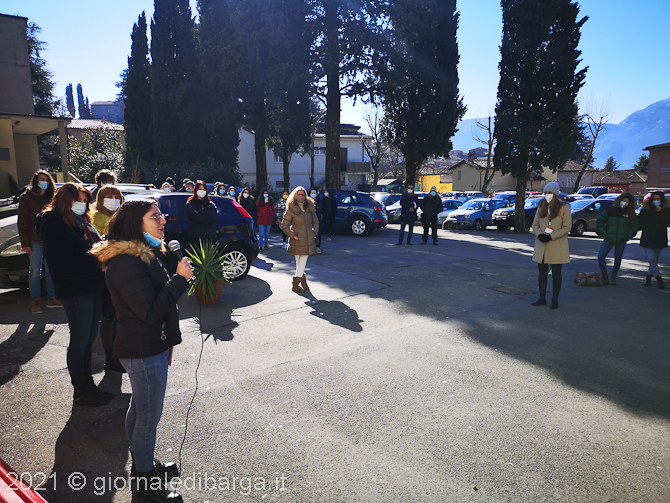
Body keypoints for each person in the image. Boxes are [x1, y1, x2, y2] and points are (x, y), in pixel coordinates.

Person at [92, 200, 191, 503]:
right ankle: (146, 484)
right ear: (136, 223)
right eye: (155, 216)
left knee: (139, 412)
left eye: (161, 215)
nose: (163, 221)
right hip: (142, 349)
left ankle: (143, 463)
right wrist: (180, 280)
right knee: (148, 418)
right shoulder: (126, 262)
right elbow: (149, 310)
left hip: (149, 344)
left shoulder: (143, 253)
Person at [36, 183, 109, 406]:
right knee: (80, 341)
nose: (83, 204)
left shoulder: (82, 221)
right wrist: (96, 264)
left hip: (93, 287)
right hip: (76, 291)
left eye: (85, 201)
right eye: (78, 200)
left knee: (88, 340)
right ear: (66, 200)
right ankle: (81, 389)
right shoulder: (54, 223)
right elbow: (60, 265)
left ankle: (88, 384)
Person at [91, 185, 125, 373]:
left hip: (120, 269)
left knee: (117, 316)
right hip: (106, 270)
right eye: (109, 197)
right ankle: (111, 358)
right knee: (109, 317)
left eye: (116, 197)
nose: (113, 200)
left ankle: (116, 355)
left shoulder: (120, 216)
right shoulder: (96, 218)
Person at [18, 170, 60, 314]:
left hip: (50, 239)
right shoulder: (26, 198)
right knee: (35, 271)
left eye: (46, 180)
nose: (44, 182)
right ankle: (35, 301)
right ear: (35, 181)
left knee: (50, 269)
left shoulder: (52, 197)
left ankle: (52, 298)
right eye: (41, 179)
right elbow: (22, 223)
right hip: (34, 240)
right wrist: (25, 243)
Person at [531, 182, 571, 309]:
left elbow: (567, 227)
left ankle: (554, 299)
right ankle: (542, 297)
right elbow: (535, 224)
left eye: (550, 193)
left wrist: (551, 236)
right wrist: (539, 234)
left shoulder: (564, 207)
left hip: (556, 245)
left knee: (556, 274)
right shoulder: (541, 205)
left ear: (556, 194)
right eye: (546, 193)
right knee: (542, 273)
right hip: (542, 245)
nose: (547, 195)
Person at [596, 193, 639, 285]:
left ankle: (613, 277)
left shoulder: (630, 214)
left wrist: (628, 234)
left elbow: (635, 226)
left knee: (618, 258)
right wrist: (603, 231)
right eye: (623, 201)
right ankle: (604, 275)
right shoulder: (610, 210)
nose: (624, 203)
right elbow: (600, 221)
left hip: (622, 239)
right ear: (619, 200)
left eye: (627, 202)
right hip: (609, 237)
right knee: (601, 256)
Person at [281, 186, 319, 293]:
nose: (301, 196)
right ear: (295, 195)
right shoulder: (291, 208)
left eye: (303, 194)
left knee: (302, 262)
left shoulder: (309, 207)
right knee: (299, 263)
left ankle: (295, 284)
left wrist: (315, 232)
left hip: (308, 240)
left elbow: (316, 221)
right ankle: (302, 281)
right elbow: (284, 225)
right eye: (299, 194)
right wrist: (292, 235)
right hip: (296, 240)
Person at [638, 191, 670, 289]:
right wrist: (646, 227)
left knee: (654, 260)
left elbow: (667, 222)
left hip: (660, 237)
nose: (656, 201)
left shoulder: (666, 210)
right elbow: (639, 221)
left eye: (658, 199)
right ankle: (659, 279)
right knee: (651, 259)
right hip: (647, 237)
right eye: (654, 199)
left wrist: (662, 212)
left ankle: (648, 278)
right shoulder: (646, 209)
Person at [185, 180, 220, 246]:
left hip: (209, 237)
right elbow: (195, 217)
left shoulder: (210, 204)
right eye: (200, 189)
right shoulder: (191, 203)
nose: (202, 191)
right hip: (195, 237)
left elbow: (215, 218)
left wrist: (201, 216)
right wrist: (207, 216)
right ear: (196, 190)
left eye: (204, 189)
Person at [311, 189, 322, 253]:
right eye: (312, 192)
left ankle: (318, 247)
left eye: (314, 193)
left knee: (317, 233)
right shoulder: (308, 200)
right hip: (309, 219)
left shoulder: (319, 200)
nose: (313, 194)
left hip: (317, 219)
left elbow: (319, 208)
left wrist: (313, 209)